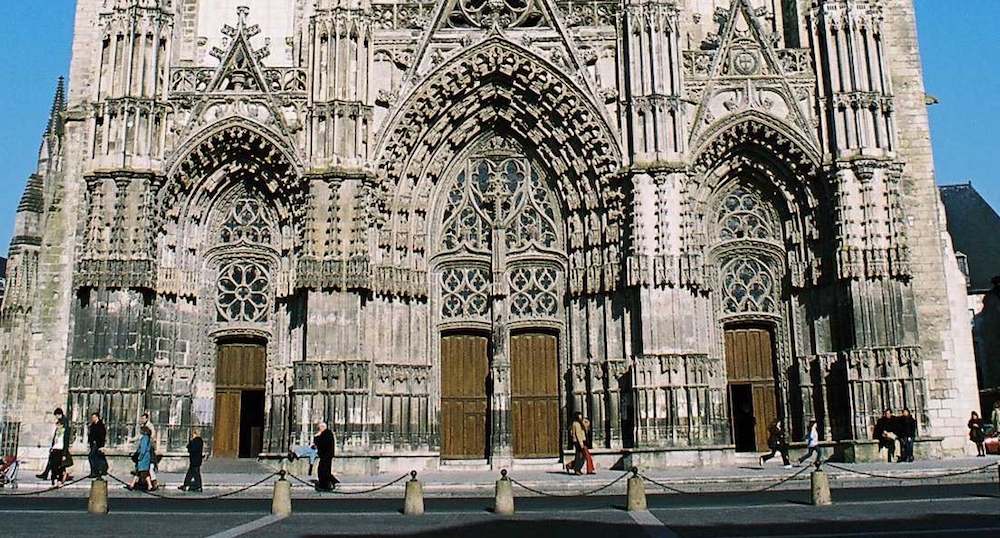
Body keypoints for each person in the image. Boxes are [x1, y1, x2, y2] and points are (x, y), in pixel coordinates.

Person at [36, 407, 65, 480]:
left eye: (56, 415)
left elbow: (62, 436)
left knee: (55, 462)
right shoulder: (60, 421)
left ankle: (60, 475)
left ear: (59, 414)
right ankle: (46, 474)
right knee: (52, 461)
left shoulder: (63, 422)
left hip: (60, 447)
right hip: (56, 445)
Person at [127, 426, 154, 491]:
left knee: (143, 472)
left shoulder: (144, 438)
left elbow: (143, 449)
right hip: (146, 457)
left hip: (143, 458)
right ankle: (132, 485)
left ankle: (149, 485)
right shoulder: (148, 438)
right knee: (139, 472)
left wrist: (140, 456)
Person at [313, 422, 338, 491]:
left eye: (319, 428)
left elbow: (319, 443)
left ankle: (327, 484)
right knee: (324, 470)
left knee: (323, 471)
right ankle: (330, 482)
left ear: (323, 427)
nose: (319, 429)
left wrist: (316, 436)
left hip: (326, 455)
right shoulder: (327, 433)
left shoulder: (326, 434)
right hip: (326, 455)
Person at [178, 428, 203, 492]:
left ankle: (198, 486)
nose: (192, 435)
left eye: (193, 434)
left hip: (196, 460)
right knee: (189, 474)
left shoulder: (198, 440)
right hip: (194, 460)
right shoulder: (195, 440)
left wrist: (191, 444)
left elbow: (192, 449)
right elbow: (188, 446)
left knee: (196, 474)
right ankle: (185, 485)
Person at [48, 418, 70, 487]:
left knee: (58, 466)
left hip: (60, 450)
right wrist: (51, 448)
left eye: (59, 425)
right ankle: (54, 481)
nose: (57, 426)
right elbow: (54, 441)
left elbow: (66, 443)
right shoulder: (56, 432)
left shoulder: (64, 433)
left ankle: (59, 479)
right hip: (54, 449)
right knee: (53, 466)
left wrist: (64, 454)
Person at [87, 412, 108, 478]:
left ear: (97, 417)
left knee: (91, 456)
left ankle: (94, 471)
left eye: (93, 417)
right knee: (95, 457)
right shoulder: (93, 425)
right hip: (93, 444)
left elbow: (102, 436)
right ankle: (96, 471)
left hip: (97, 444)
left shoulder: (100, 425)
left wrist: (101, 446)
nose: (92, 419)